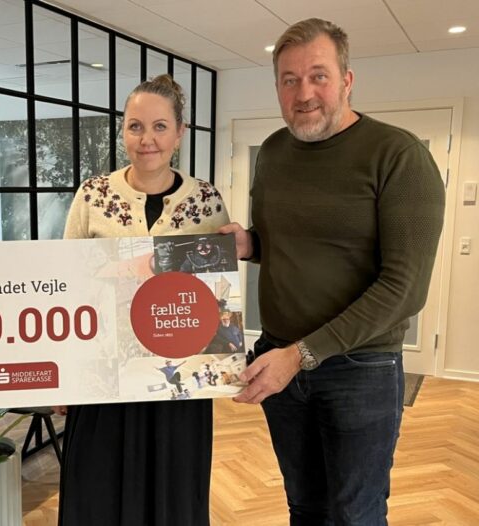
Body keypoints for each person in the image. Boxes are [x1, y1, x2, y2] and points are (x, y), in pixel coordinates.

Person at [221, 18, 445, 525]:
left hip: (359, 370)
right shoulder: (274, 152)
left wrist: (301, 355)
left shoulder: (399, 156)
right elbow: (289, 242)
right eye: (289, 79)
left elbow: (405, 288)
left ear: (347, 80)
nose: (304, 93)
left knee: (355, 515)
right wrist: (249, 244)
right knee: (304, 507)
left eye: (318, 76)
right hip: (279, 360)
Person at [55, 74, 230, 526]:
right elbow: (70, 284)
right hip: (103, 376)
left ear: (179, 133)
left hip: (178, 382)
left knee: (171, 498)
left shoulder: (206, 200)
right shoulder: (93, 195)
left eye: (159, 127)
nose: (146, 139)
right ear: (123, 131)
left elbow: (217, 294)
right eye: (135, 126)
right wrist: (65, 374)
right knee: (97, 494)